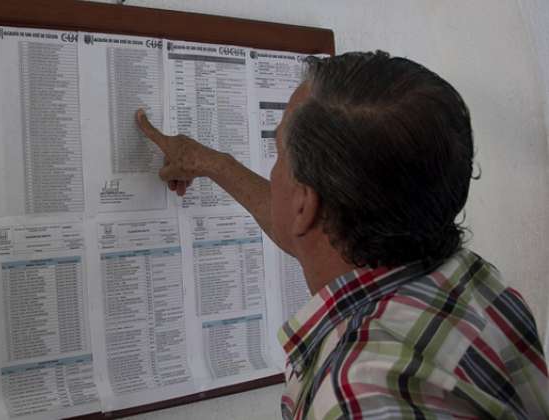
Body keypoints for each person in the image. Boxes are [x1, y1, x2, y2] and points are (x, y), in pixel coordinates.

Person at [135, 51, 549, 419]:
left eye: (279, 153)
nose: (275, 169)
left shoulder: (356, 398)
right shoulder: (473, 281)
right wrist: (212, 163)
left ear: (306, 204)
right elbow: (306, 229)